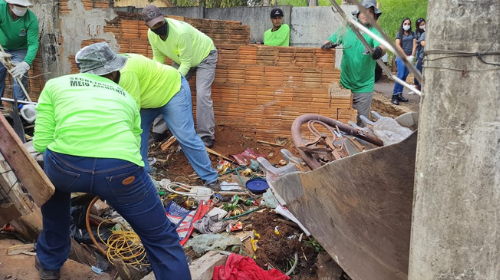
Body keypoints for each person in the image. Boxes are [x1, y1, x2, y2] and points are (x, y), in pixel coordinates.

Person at [33, 43, 191, 280]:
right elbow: (134, 147)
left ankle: (49, 264)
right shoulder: (126, 97)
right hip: (120, 171)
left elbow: (41, 143)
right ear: (114, 73)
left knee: (52, 188)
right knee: (160, 237)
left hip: (66, 168)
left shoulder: (55, 85)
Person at [74, 43, 219, 189]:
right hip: (147, 97)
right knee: (139, 135)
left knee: (185, 135)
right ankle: (143, 175)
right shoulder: (107, 76)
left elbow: (130, 113)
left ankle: (210, 177)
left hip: (172, 91)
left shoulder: (126, 75)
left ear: (110, 71)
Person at [142, 5, 217, 148]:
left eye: (160, 22)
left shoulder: (180, 32)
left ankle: (206, 135)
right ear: (148, 26)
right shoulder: (152, 34)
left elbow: (187, 63)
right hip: (182, 59)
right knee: (163, 89)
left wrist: (171, 81)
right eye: (154, 25)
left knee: (202, 94)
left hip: (205, 56)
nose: (158, 26)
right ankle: (159, 131)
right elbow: (158, 58)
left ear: (163, 17)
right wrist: (155, 77)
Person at [321, 0, 386, 126]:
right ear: (358, 13)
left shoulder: (374, 31)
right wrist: (328, 44)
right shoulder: (346, 28)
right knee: (342, 120)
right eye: (363, 11)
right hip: (344, 84)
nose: (366, 14)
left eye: (370, 12)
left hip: (364, 87)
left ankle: (360, 145)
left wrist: (379, 50)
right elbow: (330, 39)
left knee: (361, 123)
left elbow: (383, 46)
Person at [0, 0, 39, 102]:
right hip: (2, 47)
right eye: (19, 5)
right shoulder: (0, 8)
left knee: (20, 76)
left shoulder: (31, 19)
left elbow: (33, 43)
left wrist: (26, 63)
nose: (22, 8)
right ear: (10, 4)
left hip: (20, 49)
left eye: (24, 6)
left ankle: (19, 107)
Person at [391, 18, 416, 105]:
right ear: (402, 24)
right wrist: (405, 56)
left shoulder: (413, 34)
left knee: (405, 76)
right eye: (405, 23)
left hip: (410, 57)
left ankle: (399, 94)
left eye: (408, 24)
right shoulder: (399, 34)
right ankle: (394, 95)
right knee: (400, 75)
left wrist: (412, 55)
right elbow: (398, 45)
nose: (407, 25)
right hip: (401, 57)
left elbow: (414, 45)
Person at [414, 18, 425, 92]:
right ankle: (417, 87)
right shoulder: (419, 33)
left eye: (423, 24)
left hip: (423, 53)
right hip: (420, 53)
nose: (423, 26)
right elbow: (422, 43)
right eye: (421, 25)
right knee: (418, 70)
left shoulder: (426, 32)